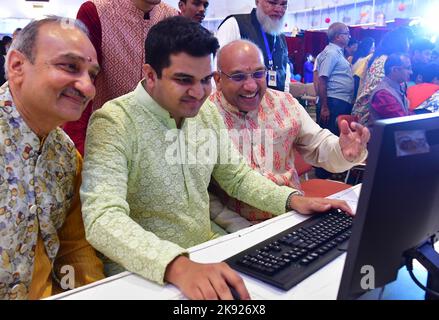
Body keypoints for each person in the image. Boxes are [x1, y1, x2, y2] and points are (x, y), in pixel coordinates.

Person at [80, 16, 352, 300]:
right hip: (143, 273)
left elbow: (236, 176)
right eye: (184, 80)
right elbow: (102, 217)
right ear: (150, 74)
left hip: (208, 251)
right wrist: (176, 265)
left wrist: (292, 200)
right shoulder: (114, 122)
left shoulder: (205, 113)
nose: (198, 93)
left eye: (206, 80)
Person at [209, 39, 369, 232]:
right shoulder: (204, 115)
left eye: (259, 74)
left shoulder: (285, 104)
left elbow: (319, 146)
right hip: (236, 228)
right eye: (238, 77)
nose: (251, 86)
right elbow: (203, 194)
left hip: (294, 215)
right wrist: (240, 230)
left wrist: (343, 152)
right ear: (218, 79)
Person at [0, 16, 104, 300]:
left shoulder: (67, 155)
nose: (87, 87)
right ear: (17, 66)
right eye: (70, 67)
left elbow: (74, 246)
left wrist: (93, 293)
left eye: (92, 74)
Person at [62, 0, 178, 155]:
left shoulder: (173, 18)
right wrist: (79, 152)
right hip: (102, 141)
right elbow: (79, 84)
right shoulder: (97, 12)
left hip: (156, 145)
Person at [216, 0, 290, 92]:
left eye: (283, 4)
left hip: (275, 103)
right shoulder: (234, 24)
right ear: (257, 1)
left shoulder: (280, 36)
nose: (279, 9)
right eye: (272, 3)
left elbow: (285, 75)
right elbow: (216, 68)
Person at [351, 27, 413, 126]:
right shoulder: (384, 61)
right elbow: (383, 96)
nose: (409, 46)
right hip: (370, 120)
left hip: (377, 114)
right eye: (408, 41)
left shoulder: (382, 58)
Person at [368, 53, 413, 127]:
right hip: (384, 137)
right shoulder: (383, 94)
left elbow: (407, 114)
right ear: (395, 70)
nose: (411, 72)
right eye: (408, 68)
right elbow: (401, 123)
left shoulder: (398, 87)